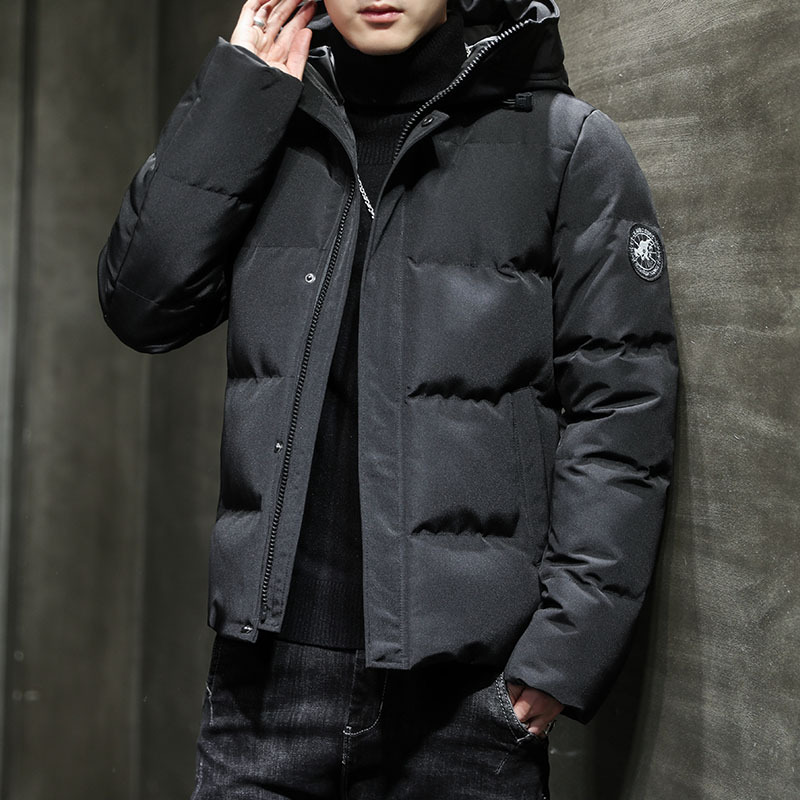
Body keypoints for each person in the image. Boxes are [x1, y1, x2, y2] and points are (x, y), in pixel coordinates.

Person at [98, 0, 679, 797]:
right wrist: (235, 96)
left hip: (467, 704)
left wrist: (562, 654)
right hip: (264, 694)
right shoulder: (271, 123)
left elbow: (622, 412)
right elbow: (142, 303)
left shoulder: (566, 146)